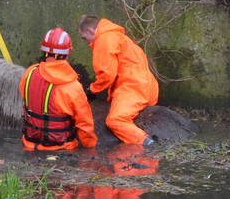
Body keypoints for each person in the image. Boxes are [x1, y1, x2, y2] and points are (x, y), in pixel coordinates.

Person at [78, 15, 159, 146]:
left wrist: (92, 90)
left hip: (133, 89)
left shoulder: (103, 40)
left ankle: (146, 143)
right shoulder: (119, 37)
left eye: (84, 38)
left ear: (90, 31)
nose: (86, 42)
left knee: (115, 120)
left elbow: (107, 74)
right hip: (148, 88)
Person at [19, 27, 97, 151]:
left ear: (43, 51)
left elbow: (26, 98)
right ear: (67, 53)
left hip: (29, 144)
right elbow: (84, 124)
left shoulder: (29, 73)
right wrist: (90, 148)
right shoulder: (72, 87)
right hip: (62, 148)